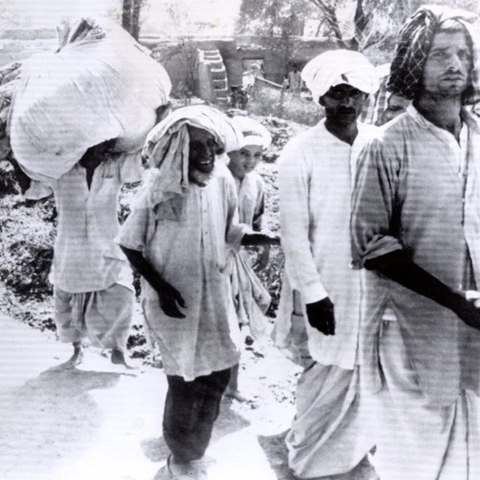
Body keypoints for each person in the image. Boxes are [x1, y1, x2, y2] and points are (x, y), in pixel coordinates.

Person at [116, 105, 279, 480]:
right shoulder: (156, 188)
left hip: (214, 294)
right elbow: (129, 244)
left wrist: (266, 237)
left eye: (211, 145)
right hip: (172, 300)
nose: (206, 154)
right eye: (196, 146)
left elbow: (231, 230)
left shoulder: (221, 180)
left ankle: (194, 451)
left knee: (218, 372)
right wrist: (161, 289)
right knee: (184, 378)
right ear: (177, 149)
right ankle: (180, 456)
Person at [351, 6, 480, 479]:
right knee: (418, 458)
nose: (455, 65)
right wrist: (453, 301)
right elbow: (374, 247)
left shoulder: (478, 139)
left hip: (473, 327)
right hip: (410, 330)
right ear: (413, 62)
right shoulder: (385, 145)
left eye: (463, 53)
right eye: (440, 54)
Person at [274, 49, 379, 479]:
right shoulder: (299, 152)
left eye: (353, 93)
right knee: (324, 370)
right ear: (321, 99)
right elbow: (293, 234)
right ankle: (310, 457)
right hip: (326, 285)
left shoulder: (381, 144)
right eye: (337, 93)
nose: (346, 103)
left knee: (370, 370)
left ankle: (353, 454)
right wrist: (314, 295)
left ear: (365, 97)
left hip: (377, 287)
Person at [224, 115, 273, 401]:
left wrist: (264, 245)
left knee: (241, 320)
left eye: (256, 156)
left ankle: (232, 385)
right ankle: (210, 383)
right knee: (223, 321)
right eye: (244, 153)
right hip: (215, 259)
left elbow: (258, 218)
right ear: (230, 151)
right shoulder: (218, 179)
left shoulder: (256, 182)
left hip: (240, 260)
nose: (250, 161)